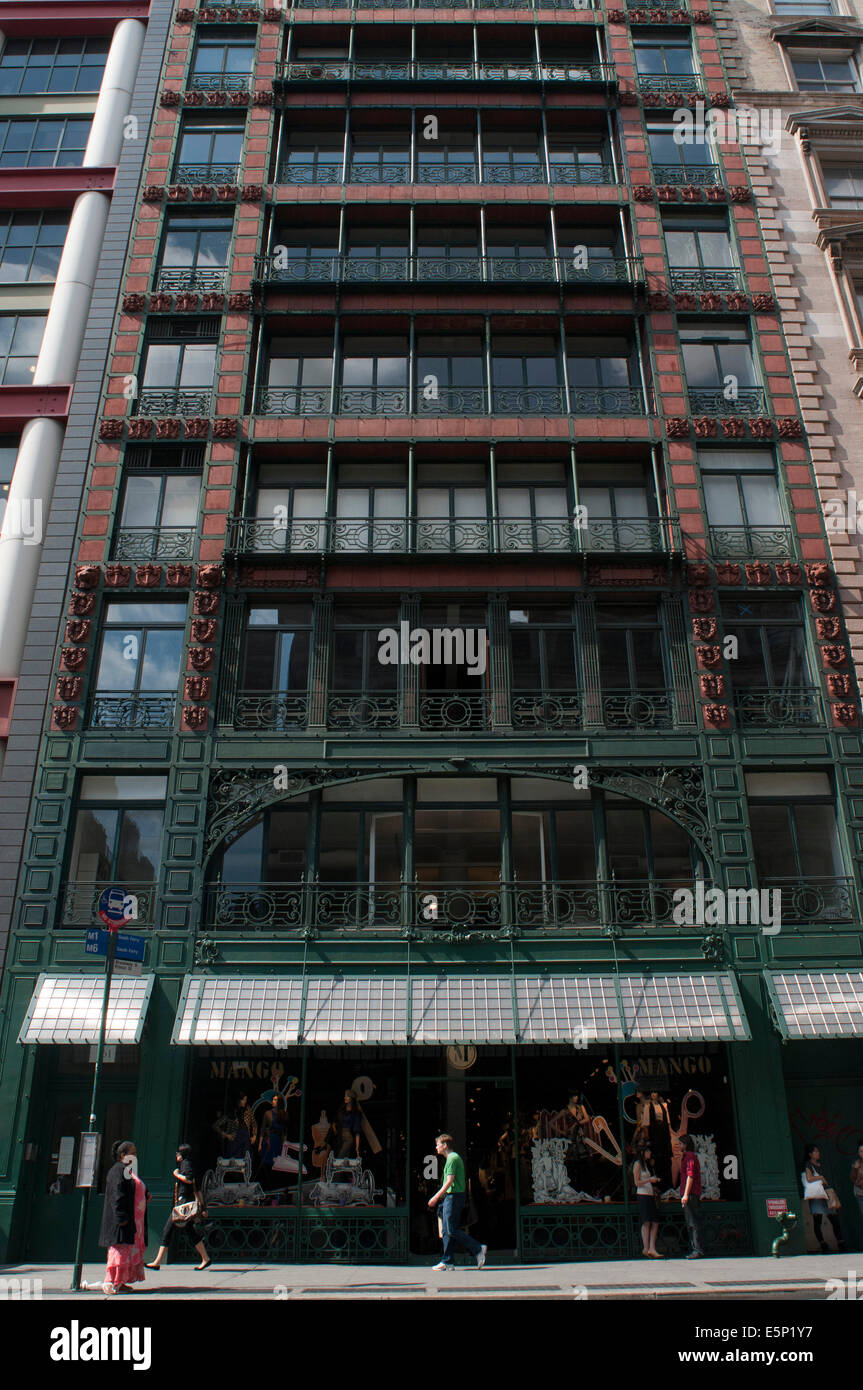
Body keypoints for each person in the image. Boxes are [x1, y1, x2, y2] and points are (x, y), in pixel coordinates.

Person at [427, 1133, 487, 1272]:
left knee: (451, 1229)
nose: (436, 1147)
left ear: (445, 1145)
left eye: (438, 1144)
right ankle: (447, 1261)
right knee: (447, 1230)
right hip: (451, 1197)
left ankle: (478, 1248)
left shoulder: (452, 1159)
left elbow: (449, 1181)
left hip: (453, 1197)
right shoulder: (452, 1158)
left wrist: (435, 1197)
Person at [145, 1143, 210, 1272]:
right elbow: (197, 1188)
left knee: (167, 1230)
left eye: (177, 1153)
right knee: (190, 1232)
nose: (176, 1155)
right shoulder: (189, 1163)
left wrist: (176, 1174)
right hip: (186, 1203)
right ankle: (205, 1258)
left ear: (181, 1155)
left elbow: (189, 1179)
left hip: (183, 1204)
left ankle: (157, 1262)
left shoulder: (185, 1164)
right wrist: (203, 1207)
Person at [97, 1140, 149, 1296]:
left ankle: (120, 1282)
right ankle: (109, 1281)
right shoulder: (117, 1171)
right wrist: (121, 1217)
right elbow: (117, 1194)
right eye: (132, 1153)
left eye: (135, 1153)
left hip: (132, 1221)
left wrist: (146, 1194)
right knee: (119, 1251)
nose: (135, 1156)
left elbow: (132, 1188)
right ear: (123, 1155)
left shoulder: (127, 1170)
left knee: (126, 1251)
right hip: (121, 1221)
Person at [802, 1143, 846, 1252]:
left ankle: (840, 1242)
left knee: (834, 1218)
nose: (818, 1153)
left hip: (825, 1193)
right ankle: (823, 1244)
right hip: (817, 1195)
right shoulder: (809, 1165)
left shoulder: (821, 1164)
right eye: (815, 1151)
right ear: (810, 1154)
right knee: (818, 1220)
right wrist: (820, 1177)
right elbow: (809, 1179)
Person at [633, 1143, 663, 1258]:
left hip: (649, 1194)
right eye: (648, 1151)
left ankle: (651, 1247)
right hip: (643, 1195)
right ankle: (646, 1248)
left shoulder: (646, 1165)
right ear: (643, 1153)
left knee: (654, 1221)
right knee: (646, 1221)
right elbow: (636, 1183)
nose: (650, 1153)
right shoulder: (638, 1164)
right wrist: (649, 1180)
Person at [679, 1134, 704, 1259]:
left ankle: (697, 1250)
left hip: (691, 1194)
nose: (679, 1146)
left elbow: (690, 1176)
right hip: (691, 1193)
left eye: (681, 1143)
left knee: (693, 1222)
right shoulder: (687, 1157)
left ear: (686, 1144)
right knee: (692, 1222)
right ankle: (696, 1249)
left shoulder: (689, 1157)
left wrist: (686, 1194)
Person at [333, 1089, 364, 1159]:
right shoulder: (342, 1110)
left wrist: (357, 1146)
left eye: (347, 1096)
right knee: (343, 1157)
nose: (345, 1098)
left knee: (340, 1157)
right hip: (340, 1137)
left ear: (351, 1099)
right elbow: (336, 1122)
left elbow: (357, 1131)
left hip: (348, 1137)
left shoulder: (355, 1113)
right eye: (345, 1096)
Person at [850, 1139, 863, 1219]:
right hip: (860, 1194)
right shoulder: (856, 1163)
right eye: (861, 1151)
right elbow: (853, 1178)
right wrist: (855, 1168)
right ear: (858, 1153)